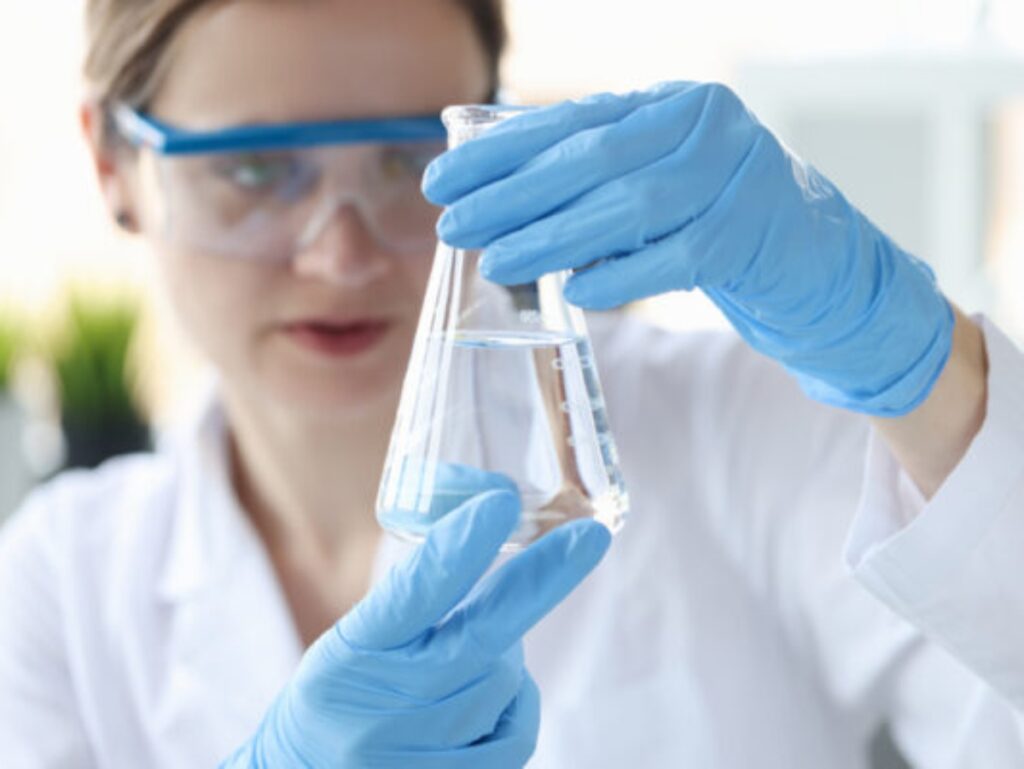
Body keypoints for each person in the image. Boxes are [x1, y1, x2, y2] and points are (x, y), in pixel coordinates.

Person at [0, 1, 1021, 768]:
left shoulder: (737, 430)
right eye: (259, 170)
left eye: (409, 162)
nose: (341, 257)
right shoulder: (60, 587)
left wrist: (924, 373)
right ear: (112, 164)